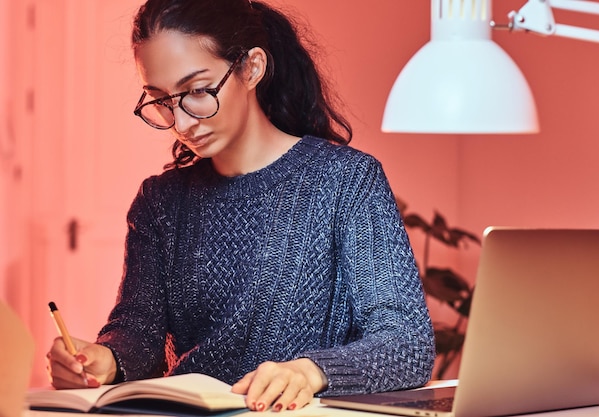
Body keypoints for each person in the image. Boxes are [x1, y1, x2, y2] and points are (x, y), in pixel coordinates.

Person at [46, 0, 435, 412]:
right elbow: (138, 335)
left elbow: (406, 343)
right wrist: (105, 359)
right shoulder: (159, 202)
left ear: (251, 68)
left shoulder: (345, 181)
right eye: (160, 99)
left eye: (197, 91)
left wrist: (310, 372)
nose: (181, 122)